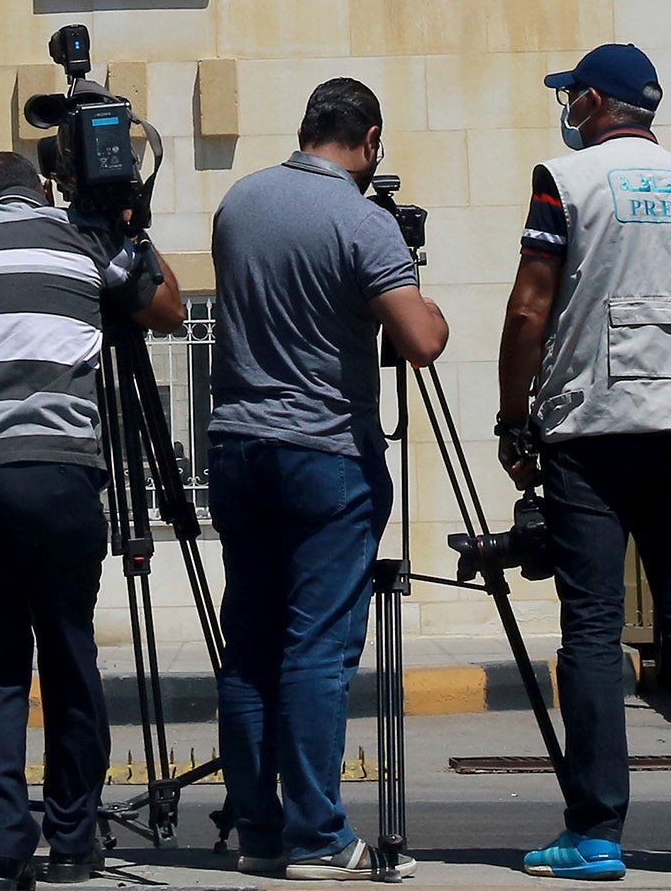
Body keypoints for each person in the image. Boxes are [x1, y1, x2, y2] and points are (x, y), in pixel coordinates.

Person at [495, 44, 671, 881]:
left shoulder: (566, 181)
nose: (567, 108)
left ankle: (596, 832)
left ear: (597, 102)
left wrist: (513, 417)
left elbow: (530, 305)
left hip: (594, 428)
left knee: (594, 628)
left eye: (572, 95)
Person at [0, 150, 184, 887]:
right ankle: (71, 843)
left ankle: (4, 849)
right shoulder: (81, 236)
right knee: (68, 653)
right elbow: (169, 310)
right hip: (54, 469)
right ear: (44, 189)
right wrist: (125, 223)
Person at [208, 76, 448, 882]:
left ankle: (260, 832)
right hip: (325, 452)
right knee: (315, 648)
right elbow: (419, 340)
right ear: (369, 139)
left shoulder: (240, 202)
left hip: (237, 445)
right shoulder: (362, 218)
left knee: (249, 644)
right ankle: (318, 837)